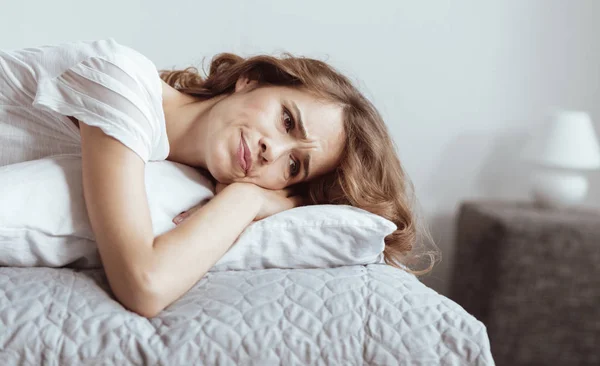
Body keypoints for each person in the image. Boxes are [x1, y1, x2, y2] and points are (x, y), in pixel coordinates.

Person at [0, 38, 440, 317]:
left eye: (293, 167)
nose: (274, 151)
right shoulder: (122, 81)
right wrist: (247, 200)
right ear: (250, 80)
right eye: (287, 121)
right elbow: (144, 285)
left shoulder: (178, 170)